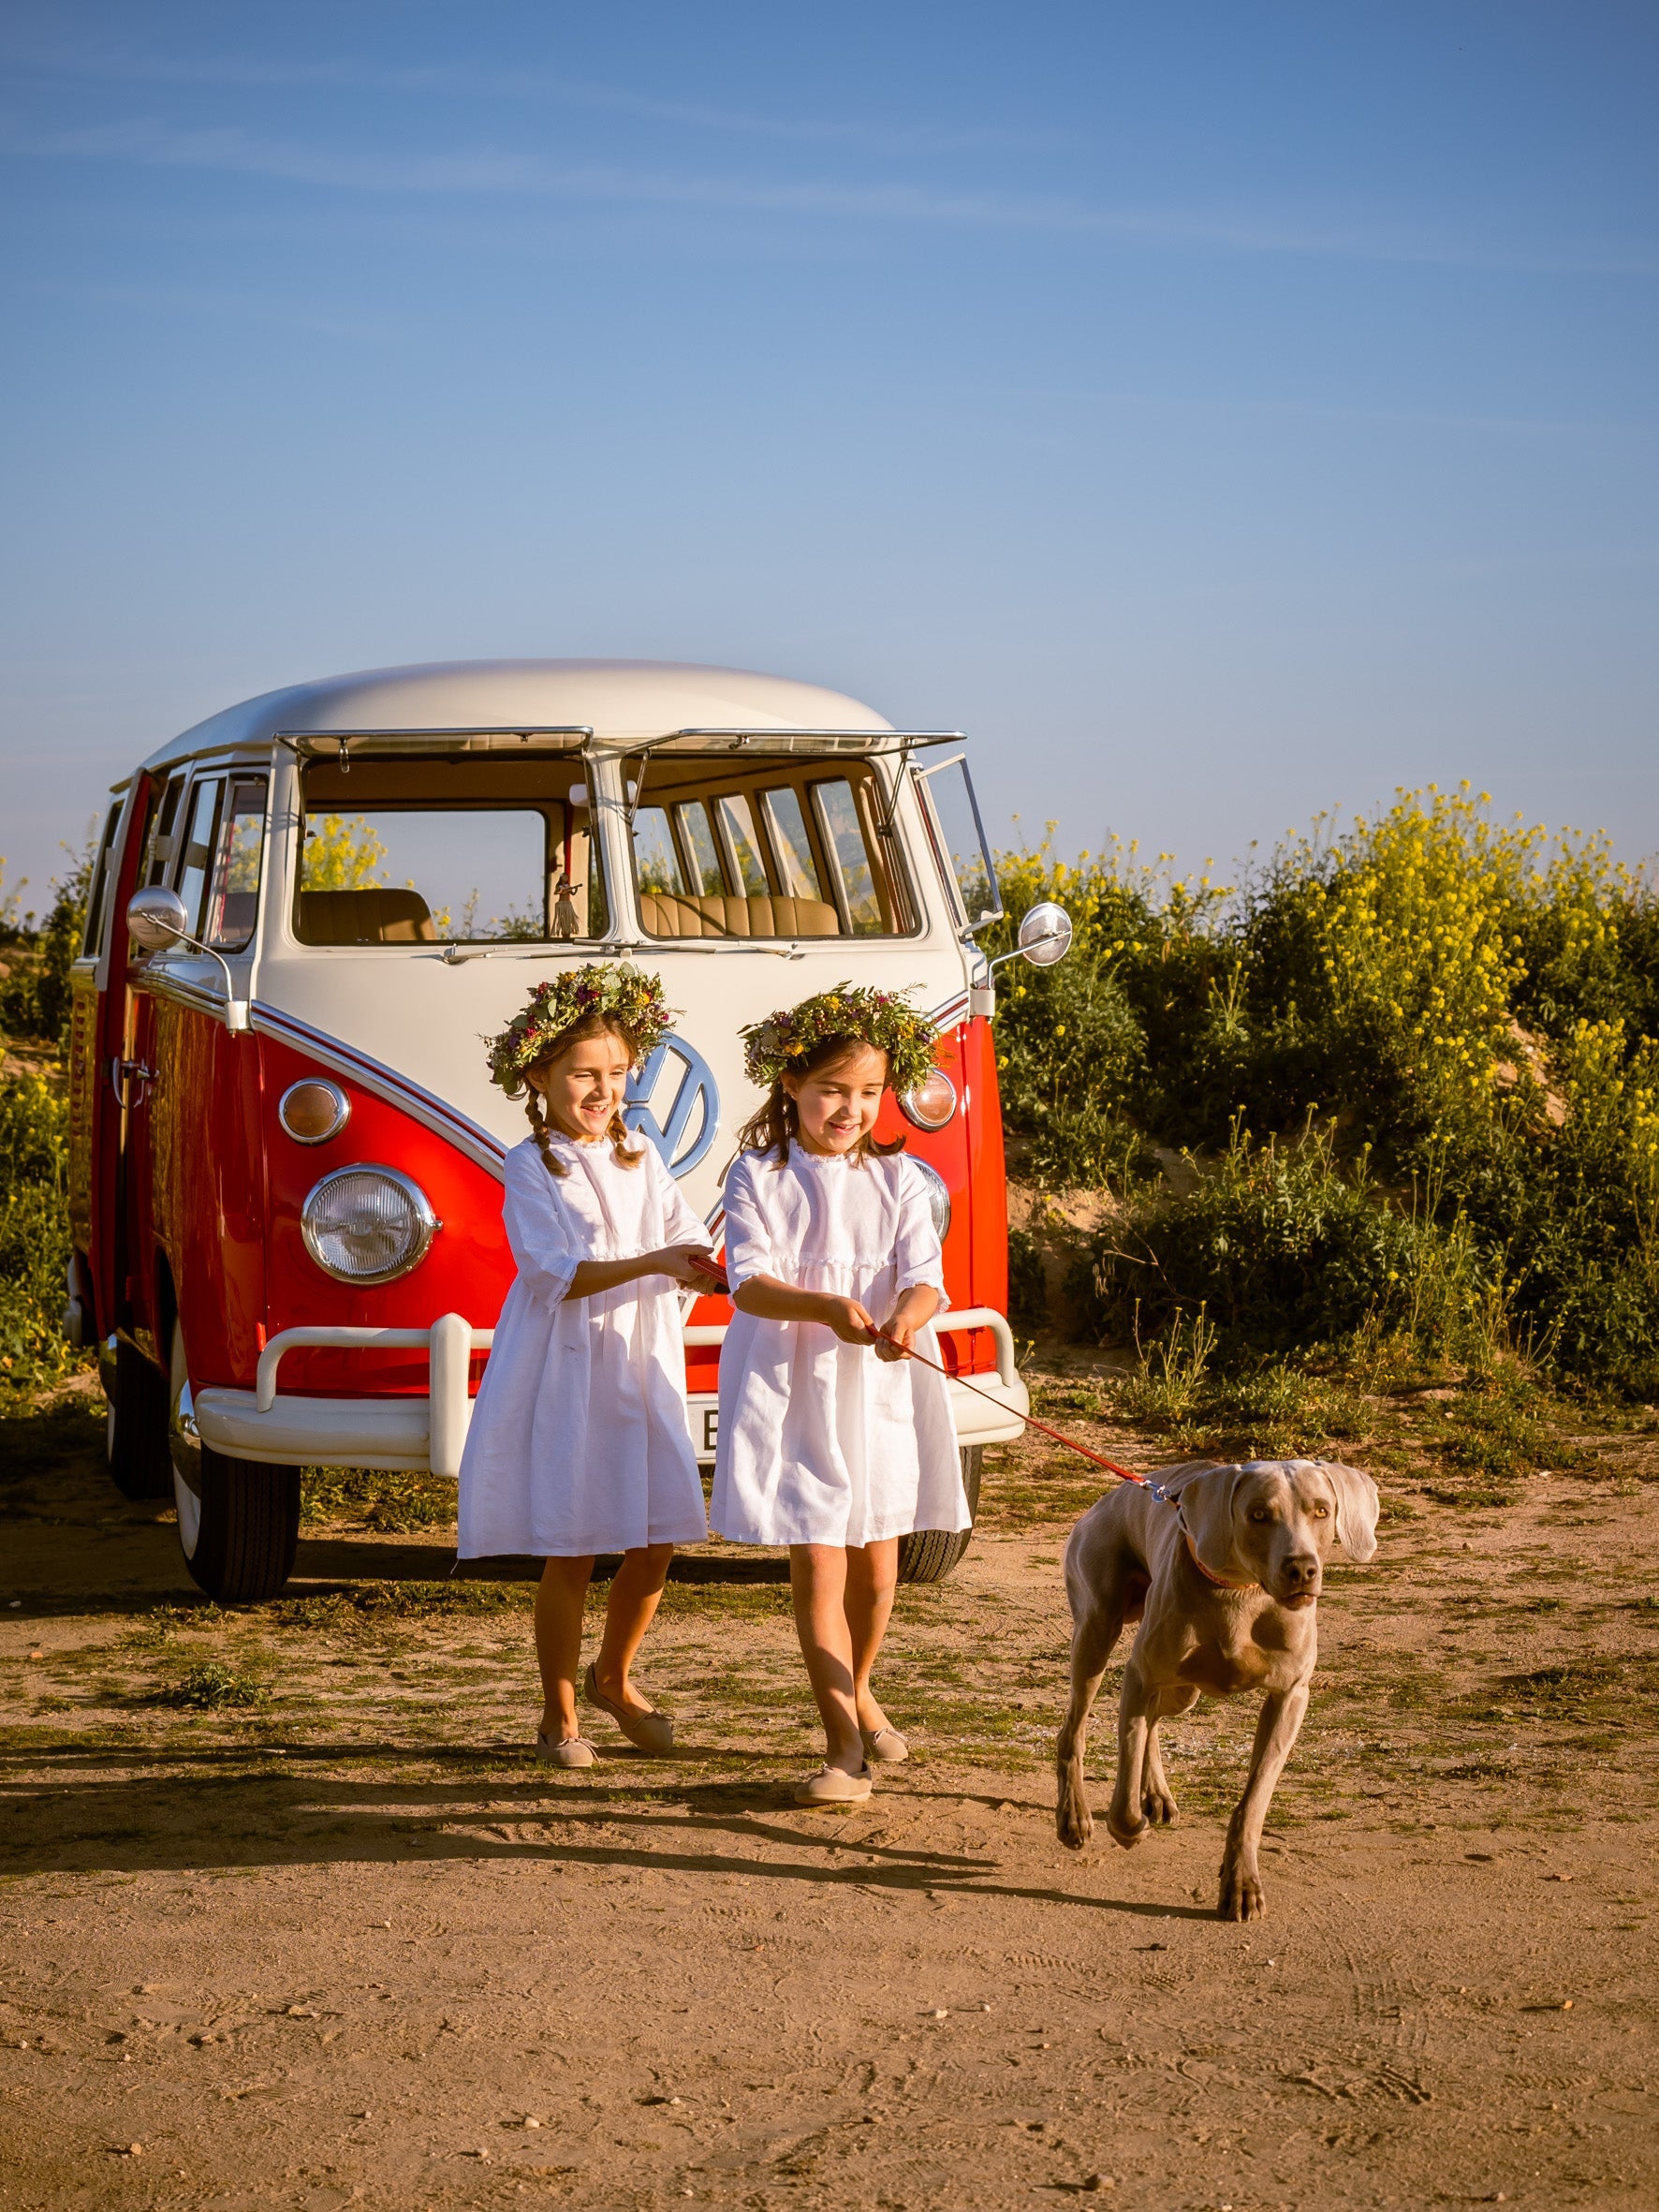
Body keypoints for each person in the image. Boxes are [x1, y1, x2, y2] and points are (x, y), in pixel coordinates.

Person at [712, 985, 965, 1804]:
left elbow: (928, 1281)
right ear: (790, 1084)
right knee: (820, 1559)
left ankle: (860, 1687)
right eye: (831, 1090)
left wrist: (903, 1316)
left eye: (866, 1092)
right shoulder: (757, 1173)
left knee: (878, 1567)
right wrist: (824, 1306)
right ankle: (842, 1744)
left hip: (881, 1385)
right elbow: (748, 1285)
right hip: (796, 1382)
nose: (850, 1108)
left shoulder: (896, 1177)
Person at [459, 964, 713, 1766]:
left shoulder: (642, 1152)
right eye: (581, 1074)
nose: (600, 1091)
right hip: (570, 1371)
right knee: (574, 1545)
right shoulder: (532, 1165)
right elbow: (554, 1273)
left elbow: (684, 1238)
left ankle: (615, 1674)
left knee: (659, 1537)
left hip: (642, 1367)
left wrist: (710, 1264)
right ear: (539, 1074)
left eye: (613, 1073)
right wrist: (653, 1263)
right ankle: (558, 1712)